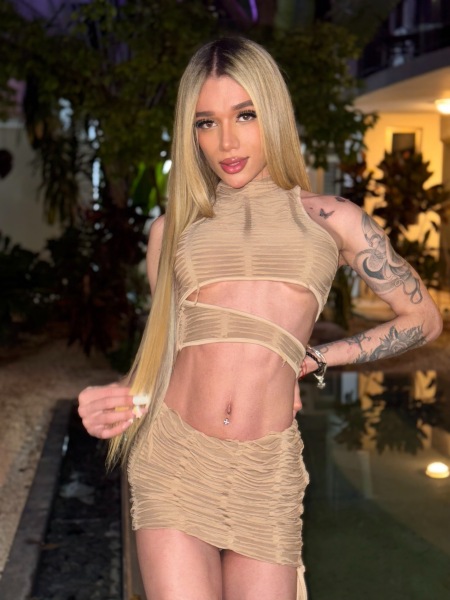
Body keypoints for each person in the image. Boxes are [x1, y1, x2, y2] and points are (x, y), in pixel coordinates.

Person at [78, 37, 443, 600]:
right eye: (206, 123)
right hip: (174, 459)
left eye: (244, 115)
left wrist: (317, 357)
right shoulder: (171, 230)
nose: (226, 141)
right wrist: (117, 400)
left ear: (273, 112)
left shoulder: (332, 220)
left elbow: (423, 318)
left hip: (265, 473)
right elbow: (170, 352)